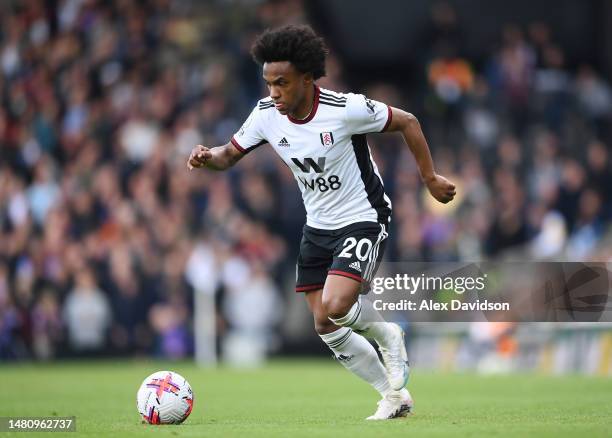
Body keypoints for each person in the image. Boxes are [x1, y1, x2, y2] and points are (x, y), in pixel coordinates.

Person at [187, 25, 456, 420]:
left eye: (282, 82)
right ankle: (393, 396)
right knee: (324, 323)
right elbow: (228, 154)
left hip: (363, 216)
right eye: (268, 83)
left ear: (308, 79)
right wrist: (206, 157)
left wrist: (429, 178)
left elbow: (408, 121)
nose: (274, 92)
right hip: (318, 226)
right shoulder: (265, 115)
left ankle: (388, 334)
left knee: (336, 303)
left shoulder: (344, 109)